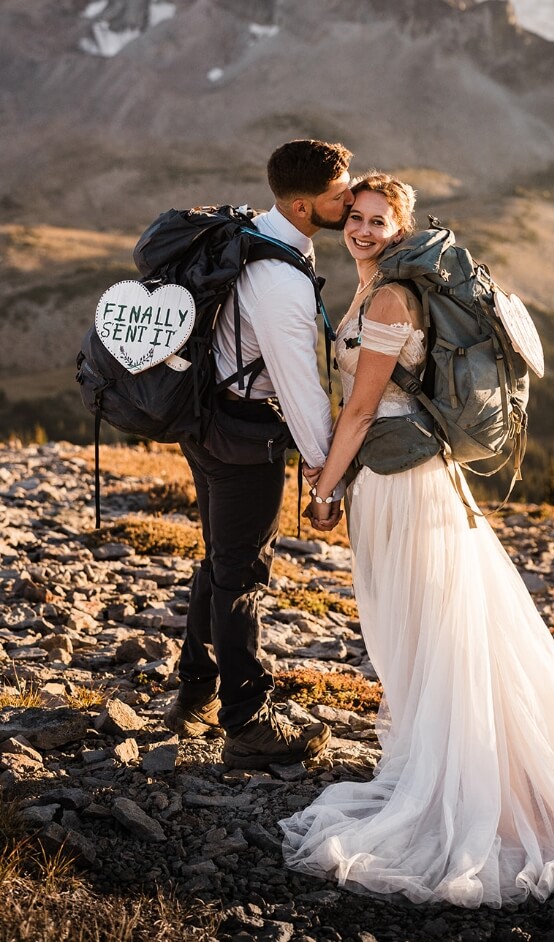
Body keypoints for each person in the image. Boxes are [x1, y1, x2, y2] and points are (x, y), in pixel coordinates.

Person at [279, 173, 554, 906]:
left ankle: (463, 791)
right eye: (354, 216)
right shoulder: (370, 287)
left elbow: (357, 413)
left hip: (405, 486)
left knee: (430, 633)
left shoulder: (389, 296)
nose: (361, 229)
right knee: (427, 631)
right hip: (399, 481)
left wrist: (321, 496)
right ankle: (448, 764)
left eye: (378, 221)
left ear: (401, 228)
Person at [164, 139, 351, 771]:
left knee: (219, 560)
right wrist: (328, 476)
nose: (349, 201)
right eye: (338, 196)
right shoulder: (281, 283)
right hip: (244, 438)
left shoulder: (252, 234)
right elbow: (301, 390)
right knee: (241, 576)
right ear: (303, 206)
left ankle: (193, 690)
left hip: (206, 418)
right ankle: (246, 722)